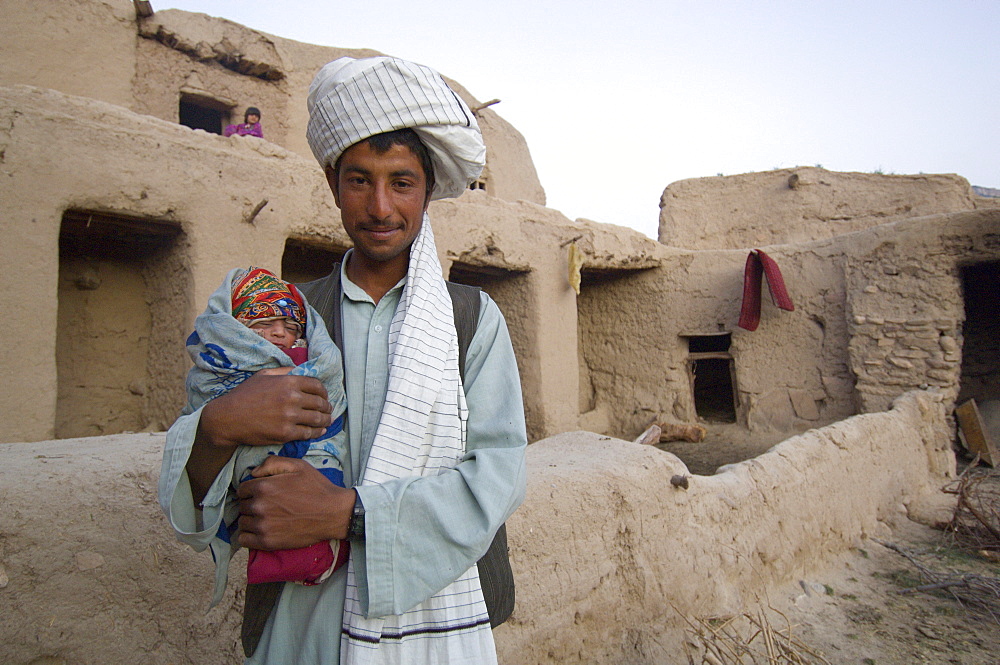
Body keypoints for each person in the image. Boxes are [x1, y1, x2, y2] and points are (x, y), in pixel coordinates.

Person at [160, 56, 527, 665]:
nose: (380, 206)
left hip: (442, 613)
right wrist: (221, 426)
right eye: (359, 180)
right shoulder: (282, 319)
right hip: (304, 618)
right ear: (333, 185)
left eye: (401, 182)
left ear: (427, 191)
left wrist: (343, 513)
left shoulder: (472, 319)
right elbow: (209, 498)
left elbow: (498, 476)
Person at [169, 266, 349, 605]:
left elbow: (329, 392)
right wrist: (225, 420)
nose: (280, 334)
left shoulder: (312, 352)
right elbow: (202, 406)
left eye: (291, 327)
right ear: (235, 329)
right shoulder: (216, 363)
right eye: (264, 324)